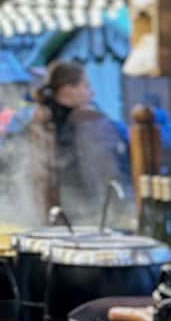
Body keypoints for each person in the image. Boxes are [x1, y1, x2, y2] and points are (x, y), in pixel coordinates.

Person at [40, 59, 129, 226]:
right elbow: (98, 172)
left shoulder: (43, 119)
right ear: (67, 90)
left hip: (59, 213)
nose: (92, 93)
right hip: (80, 213)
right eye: (86, 86)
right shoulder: (83, 121)